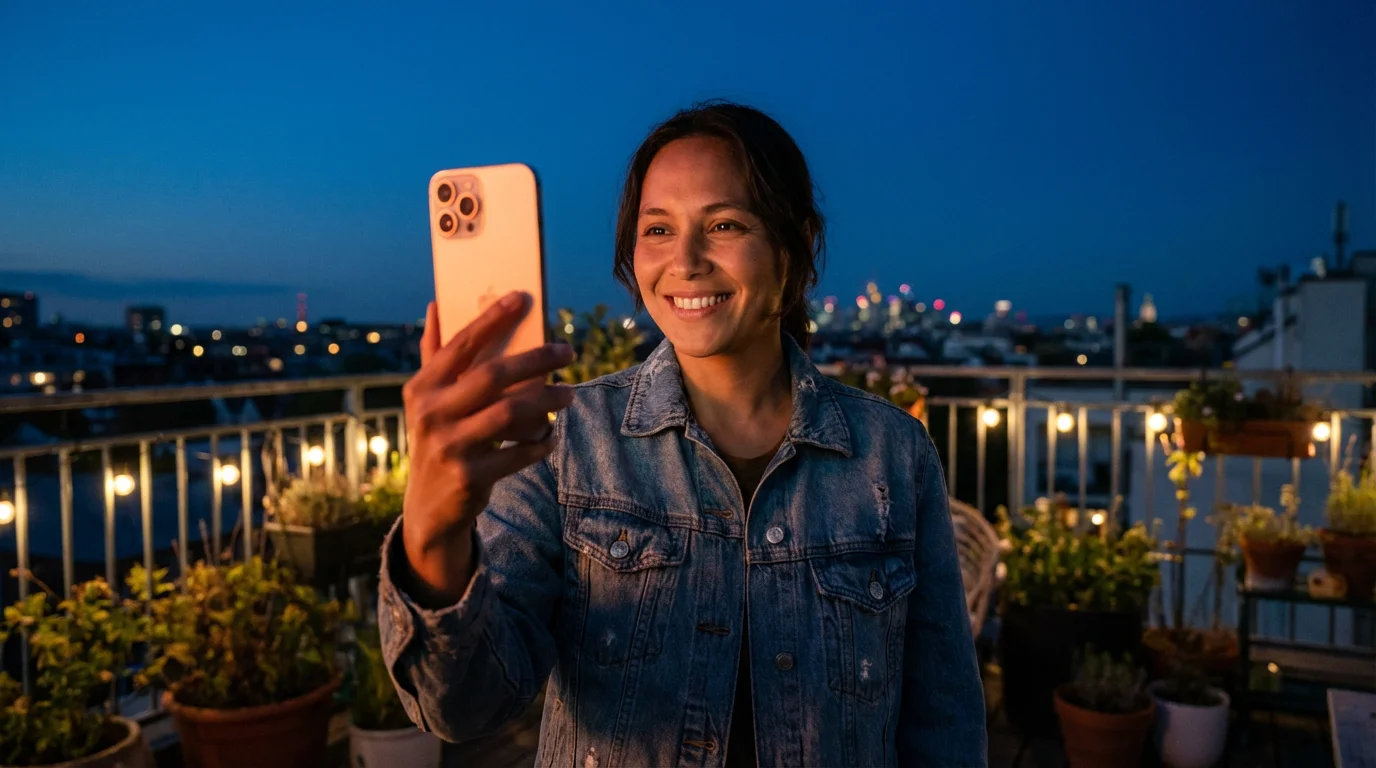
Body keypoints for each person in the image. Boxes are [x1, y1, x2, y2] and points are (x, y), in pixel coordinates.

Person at [378, 101, 987, 767]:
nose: (687, 260)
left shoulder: (893, 453)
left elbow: (944, 721)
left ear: (793, 248)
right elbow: (465, 706)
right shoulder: (567, 443)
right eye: (659, 229)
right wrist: (433, 534)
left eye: (724, 224)